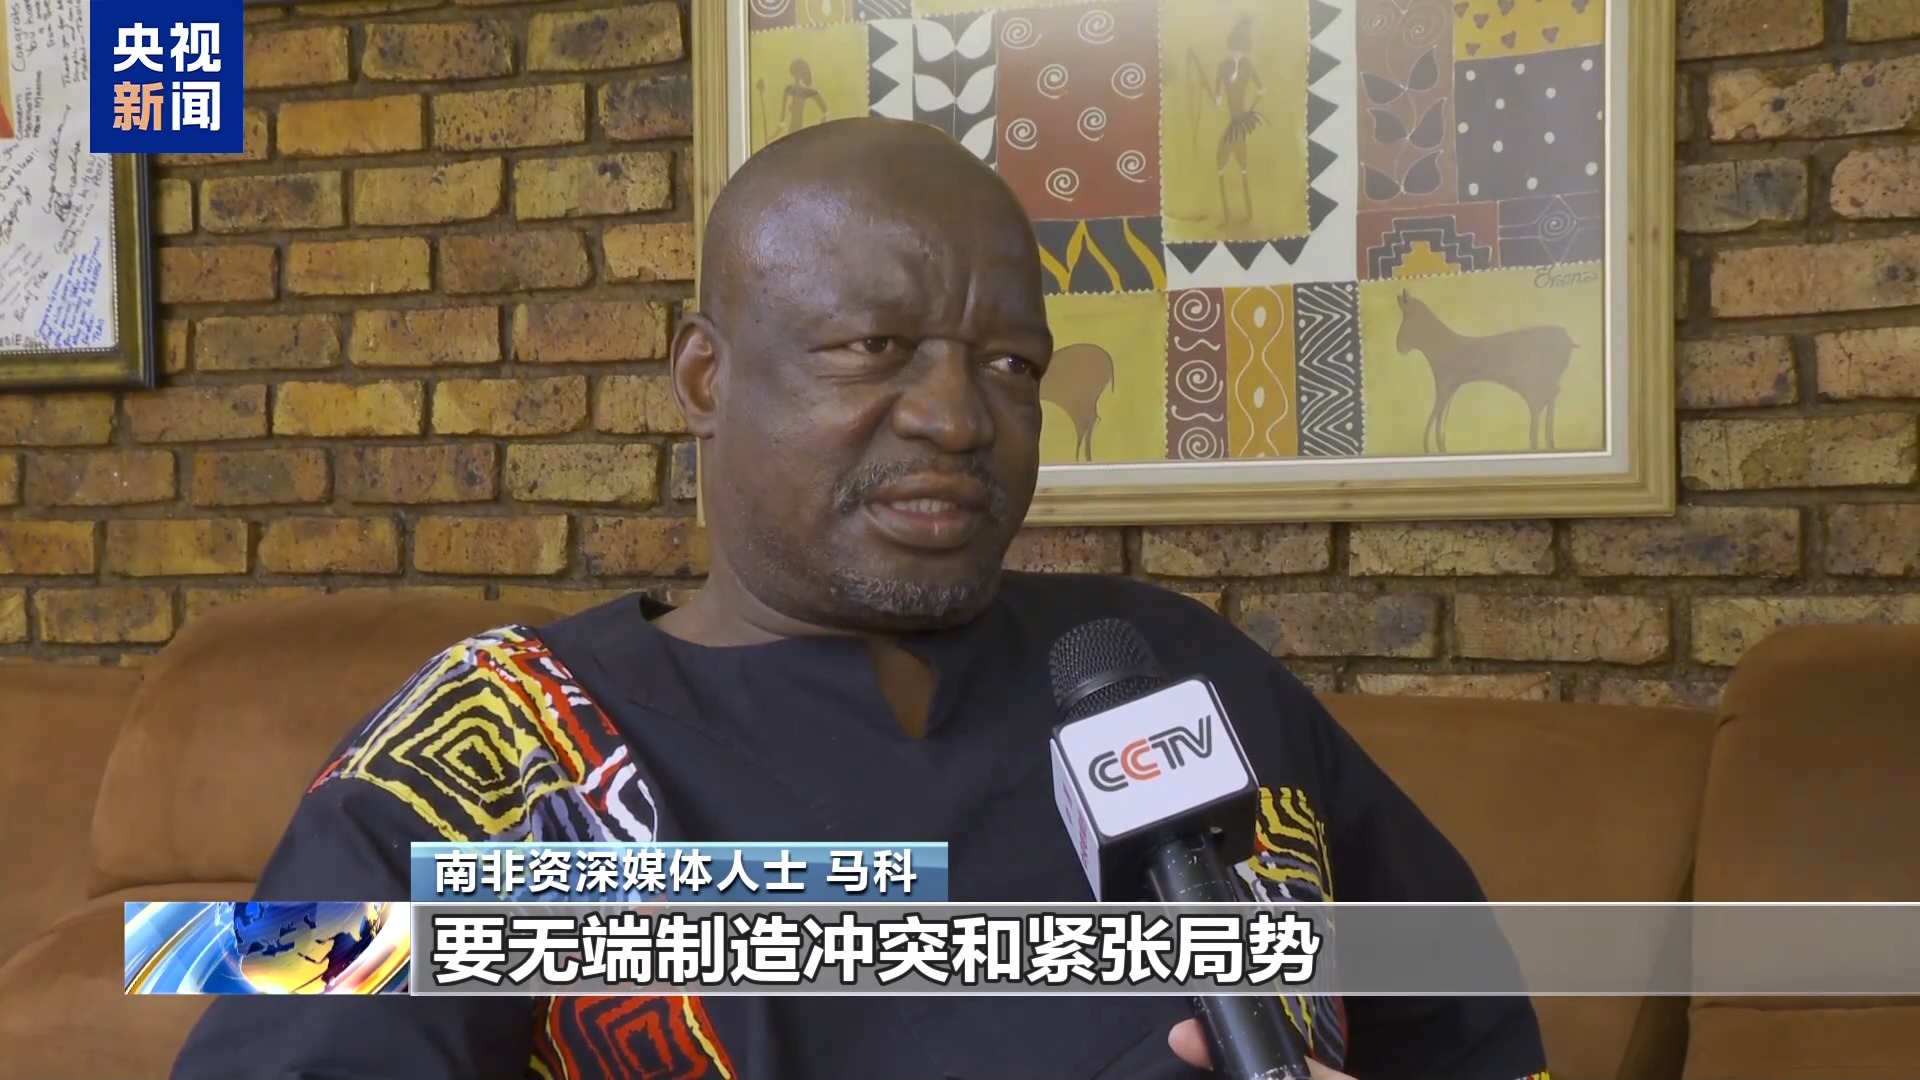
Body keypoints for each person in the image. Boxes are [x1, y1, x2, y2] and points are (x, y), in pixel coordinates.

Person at [171, 118, 1548, 1080]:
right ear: (705, 378)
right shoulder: (477, 755)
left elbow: (1470, 1033)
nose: (958, 416)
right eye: (872, 346)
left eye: (1011, 365)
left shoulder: (1173, 675)